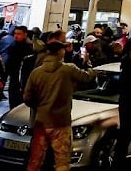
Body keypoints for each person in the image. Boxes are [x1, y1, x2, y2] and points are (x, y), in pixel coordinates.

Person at [23, 40, 98, 171]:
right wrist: (94, 69)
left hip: (41, 121)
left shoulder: (36, 72)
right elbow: (86, 77)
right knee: (62, 160)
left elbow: (27, 97)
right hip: (61, 122)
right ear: (60, 52)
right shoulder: (68, 69)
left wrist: (40, 107)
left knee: (36, 159)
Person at [2, 25, 33, 109]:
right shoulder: (13, 46)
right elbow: (9, 63)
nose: (16, 35)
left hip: (23, 79)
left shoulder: (28, 48)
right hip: (14, 78)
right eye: (15, 33)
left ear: (25, 34)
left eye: (19, 33)